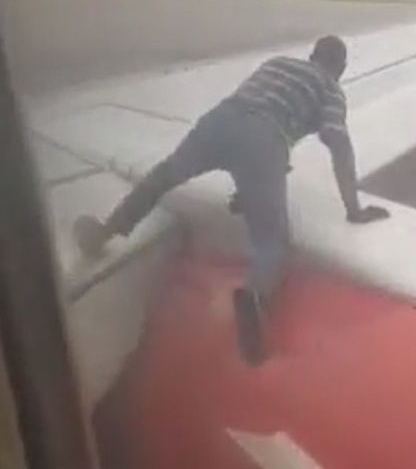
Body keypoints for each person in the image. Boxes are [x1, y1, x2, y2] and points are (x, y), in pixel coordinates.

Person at [73, 36, 389, 365]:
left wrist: (249, 190)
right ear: (341, 68)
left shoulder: (278, 64)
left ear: (312, 55)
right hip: (264, 138)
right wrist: (354, 209)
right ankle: (253, 295)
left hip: (220, 120)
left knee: (164, 176)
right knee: (273, 243)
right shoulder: (330, 90)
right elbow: (336, 142)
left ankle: (104, 232)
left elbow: (250, 117)